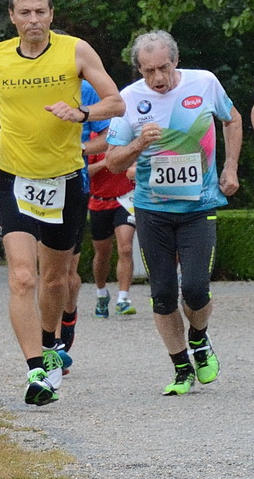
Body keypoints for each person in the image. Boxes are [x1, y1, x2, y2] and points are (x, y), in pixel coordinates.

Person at [0, 0, 125, 405]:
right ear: (12, 17)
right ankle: (35, 370)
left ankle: (50, 344)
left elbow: (116, 103)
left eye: (40, 12)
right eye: (25, 13)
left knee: (54, 278)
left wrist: (82, 112)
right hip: (14, 177)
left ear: (51, 14)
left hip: (64, 180)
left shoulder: (76, 51)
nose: (33, 20)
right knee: (22, 276)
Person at [101, 31, 241, 395]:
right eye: (149, 71)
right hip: (152, 209)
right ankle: (181, 367)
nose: (158, 78)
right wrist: (139, 143)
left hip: (199, 206)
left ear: (176, 61)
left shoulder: (204, 82)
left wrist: (230, 167)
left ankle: (199, 337)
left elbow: (232, 119)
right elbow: (113, 162)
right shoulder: (129, 99)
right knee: (162, 294)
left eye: (163, 68)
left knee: (195, 289)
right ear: (139, 70)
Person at [82, 79, 138, 318]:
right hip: (98, 200)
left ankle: (123, 298)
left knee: (125, 248)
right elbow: (85, 170)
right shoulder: (95, 139)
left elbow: (134, 165)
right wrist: (108, 162)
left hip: (124, 199)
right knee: (102, 253)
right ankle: (101, 292)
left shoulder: (128, 136)